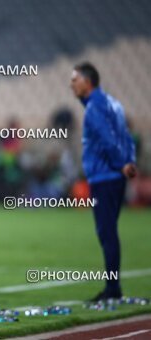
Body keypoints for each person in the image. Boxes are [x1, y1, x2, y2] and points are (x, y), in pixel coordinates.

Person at [70, 62, 137, 301]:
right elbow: (127, 136)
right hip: (116, 177)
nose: (71, 84)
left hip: (104, 176)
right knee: (109, 231)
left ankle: (113, 289)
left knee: (106, 232)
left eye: (75, 80)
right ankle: (113, 286)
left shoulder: (94, 109)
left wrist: (121, 163)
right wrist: (129, 162)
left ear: (88, 82)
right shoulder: (114, 104)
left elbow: (108, 140)